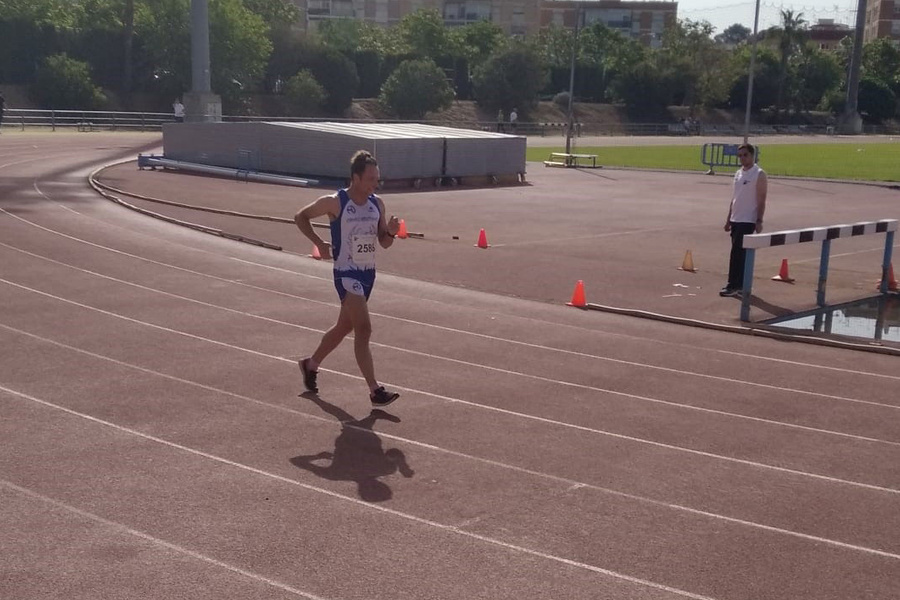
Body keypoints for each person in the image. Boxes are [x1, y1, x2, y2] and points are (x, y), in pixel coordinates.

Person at [295, 150, 402, 406]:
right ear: (355, 178)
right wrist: (318, 242)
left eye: (377, 179)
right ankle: (375, 390)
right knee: (363, 328)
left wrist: (392, 232)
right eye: (370, 179)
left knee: (345, 326)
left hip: (368, 274)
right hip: (345, 273)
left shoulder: (377, 204)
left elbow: (384, 243)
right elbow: (301, 217)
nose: (375, 184)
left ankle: (310, 365)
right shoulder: (336, 202)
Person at [721, 143, 767, 297]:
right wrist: (728, 219)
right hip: (736, 218)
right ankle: (738, 285)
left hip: (748, 219)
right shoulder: (738, 173)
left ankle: (734, 285)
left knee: (738, 253)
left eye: (745, 155)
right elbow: (735, 198)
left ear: (752, 155)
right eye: (740, 156)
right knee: (736, 252)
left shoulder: (759, 174)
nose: (742, 158)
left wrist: (759, 220)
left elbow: (761, 199)